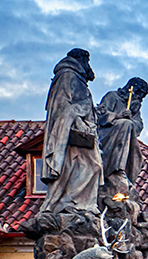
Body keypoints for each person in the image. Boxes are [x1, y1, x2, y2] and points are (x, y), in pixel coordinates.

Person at [41, 48, 102, 215]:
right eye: (87, 61)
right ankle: (69, 202)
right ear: (81, 60)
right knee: (88, 166)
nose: (88, 65)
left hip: (82, 132)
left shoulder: (77, 78)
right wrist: (79, 118)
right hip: (70, 132)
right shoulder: (67, 75)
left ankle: (82, 203)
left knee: (91, 167)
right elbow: (62, 105)